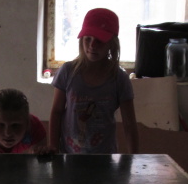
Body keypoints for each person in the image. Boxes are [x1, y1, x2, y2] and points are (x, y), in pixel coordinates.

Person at [48, 8, 139, 154]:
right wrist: (53, 147)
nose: (92, 45)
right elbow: (57, 112)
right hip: (70, 156)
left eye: (99, 41)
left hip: (105, 158)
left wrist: (134, 158)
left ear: (112, 43)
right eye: (88, 39)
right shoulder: (68, 72)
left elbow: (129, 124)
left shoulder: (119, 78)